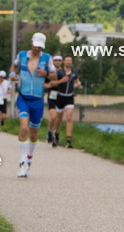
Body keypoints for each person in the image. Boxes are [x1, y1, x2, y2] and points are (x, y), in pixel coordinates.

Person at [10, 32, 57, 177]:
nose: (37, 49)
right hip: (23, 98)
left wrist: (46, 74)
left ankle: (29, 160)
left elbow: (54, 75)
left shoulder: (47, 58)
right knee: (24, 127)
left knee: (34, 133)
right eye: (36, 46)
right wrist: (12, 75)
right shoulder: (22, 55)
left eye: (40, 47)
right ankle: (22, 162)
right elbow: (13, 67)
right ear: (31, 42)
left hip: (38, 100)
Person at [51, 55, 81, 148]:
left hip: (70, 97)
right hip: (60, 96)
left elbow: (77, 80)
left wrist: (78, 84)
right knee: (58, 118)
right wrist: (61, 80)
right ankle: (56, 134)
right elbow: (53, 83)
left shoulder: (74, 72)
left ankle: (69, 140)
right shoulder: (59, 72)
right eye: (67, 60)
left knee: (69, 117)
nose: (69, 62)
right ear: (64, 62)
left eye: (70, 60)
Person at [45, 55, 63, 146]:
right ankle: (49, 131)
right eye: (55, 60)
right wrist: (50, 85)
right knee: (53, 116)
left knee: (58, 118)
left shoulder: (64, 72)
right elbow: (44, 84)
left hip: (61, 96)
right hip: (52, 95)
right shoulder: (49, 73)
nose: (57, 62)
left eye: (59, 60)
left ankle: (56, 134)